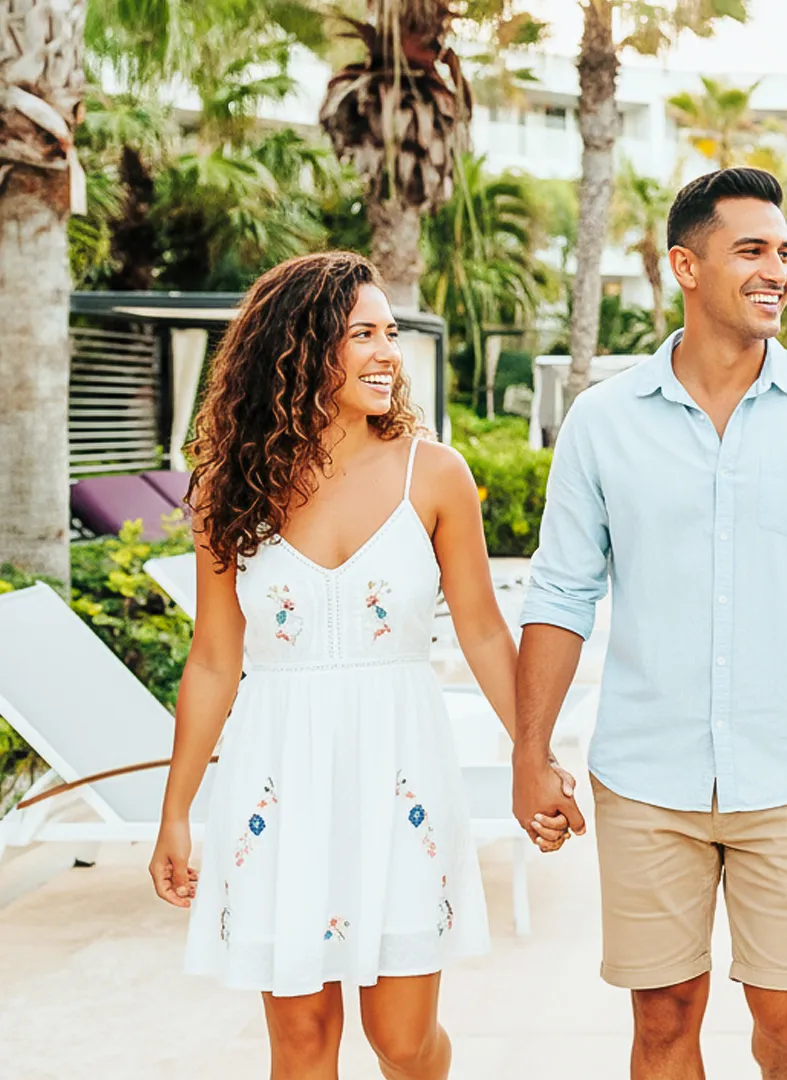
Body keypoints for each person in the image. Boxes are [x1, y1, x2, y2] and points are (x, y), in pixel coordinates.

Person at [510, 166, 787, 1080]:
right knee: (664, 1016)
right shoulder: (602, 422)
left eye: (784, 253)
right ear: (686, 265)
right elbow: (559, 594)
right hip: (646, 771)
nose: (777, 270)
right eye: (752, 250)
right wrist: (530, 753)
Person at [149, 251, 569, 1080]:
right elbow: (211, 663)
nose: (388, 353)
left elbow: (485, 634)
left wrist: (535, 754)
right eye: (363, 335)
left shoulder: (435, 473)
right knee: (302, 1045)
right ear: (300, 348)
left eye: (392, 334)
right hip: (277, 775)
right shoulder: (226, 489)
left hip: (400, 772)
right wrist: (176, 812)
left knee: (404, 1043)